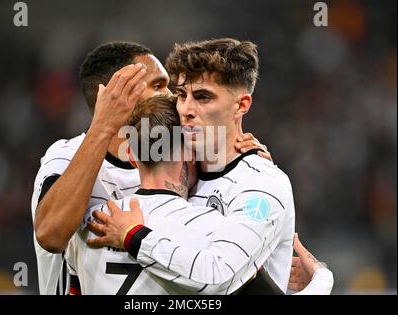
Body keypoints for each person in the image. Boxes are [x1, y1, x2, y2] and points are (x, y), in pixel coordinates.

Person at [31, 41, 267, 294]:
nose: (172, 96)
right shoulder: (67, 156)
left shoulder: (181, 160)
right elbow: (51, 236)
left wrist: (253, 170)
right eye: (158, 85)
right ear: (115, 94)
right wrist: (103, 124)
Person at [89, 38, 296, 293]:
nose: (186, 109)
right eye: (181, 95)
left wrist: (134, 236)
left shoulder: (261, 184)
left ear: (241, 105)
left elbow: (218, 276)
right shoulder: (173, 173)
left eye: (203, 97)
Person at [74, 95, 333, 295]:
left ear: (131, 155)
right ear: (190, 151)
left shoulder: (88, 224)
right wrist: (322, 277)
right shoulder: (210, 231)